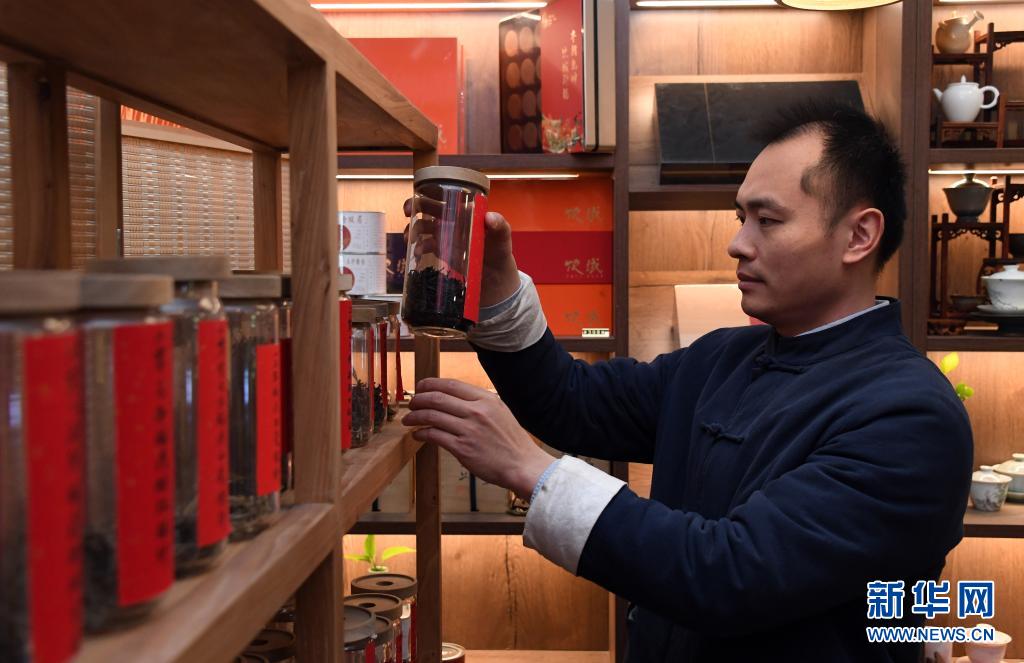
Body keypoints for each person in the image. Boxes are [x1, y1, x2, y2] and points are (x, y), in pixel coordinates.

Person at [401, 102, 973, 662]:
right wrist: (498, 287)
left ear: (859, 236)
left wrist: (531, 470)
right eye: (741, 218)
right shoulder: (723, 356)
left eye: (768, 220)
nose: (738, 243)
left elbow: (731, 575)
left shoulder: (910, 417)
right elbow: (572, 402)